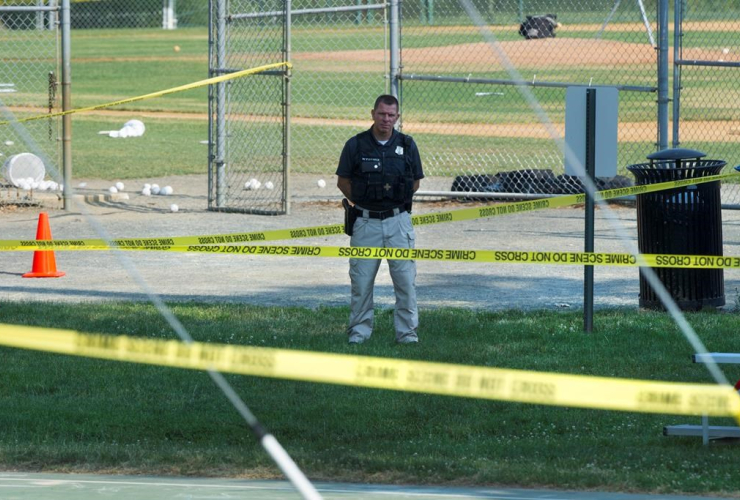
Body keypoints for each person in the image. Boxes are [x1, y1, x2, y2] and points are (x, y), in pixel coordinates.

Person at [336, 94, 424, 344]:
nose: (386, 119)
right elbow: (343, 181)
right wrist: (366, 201)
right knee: (361, 282)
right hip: (365, 223)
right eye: (382, 114)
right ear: (373, 113)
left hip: (398, 222)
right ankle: (359, 332)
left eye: (391, 115)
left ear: (397, 117)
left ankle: (407, 333)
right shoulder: (356, 145)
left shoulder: (407, 145)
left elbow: (415, 182)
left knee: (405, 281)